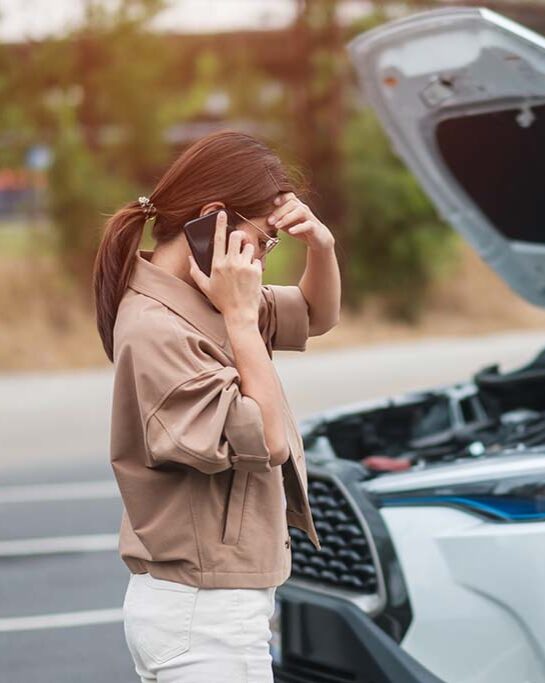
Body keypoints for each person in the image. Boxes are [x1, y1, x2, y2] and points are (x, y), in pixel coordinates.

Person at [91, 130, 340, 682]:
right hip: (203, 614)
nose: (265, 256)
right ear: (214, 220)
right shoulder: (159, 325)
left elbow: (316, 315)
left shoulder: (198, 297)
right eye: (264, 239)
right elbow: (266, 439)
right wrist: (243, 319)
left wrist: (318, 245)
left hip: (212, 607)